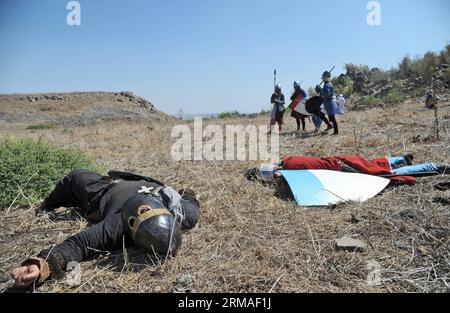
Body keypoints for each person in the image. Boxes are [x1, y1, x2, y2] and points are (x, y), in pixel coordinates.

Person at [10, 169, 201, 288]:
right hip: (112, 182)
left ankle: (49, 204)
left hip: (103, 193)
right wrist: (185, 193)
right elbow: (191, 199)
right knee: (76, 176)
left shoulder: (116, 226)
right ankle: (47, 204)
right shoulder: (187, 214)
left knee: (76, 176)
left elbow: (78, 245)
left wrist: (41, 265)